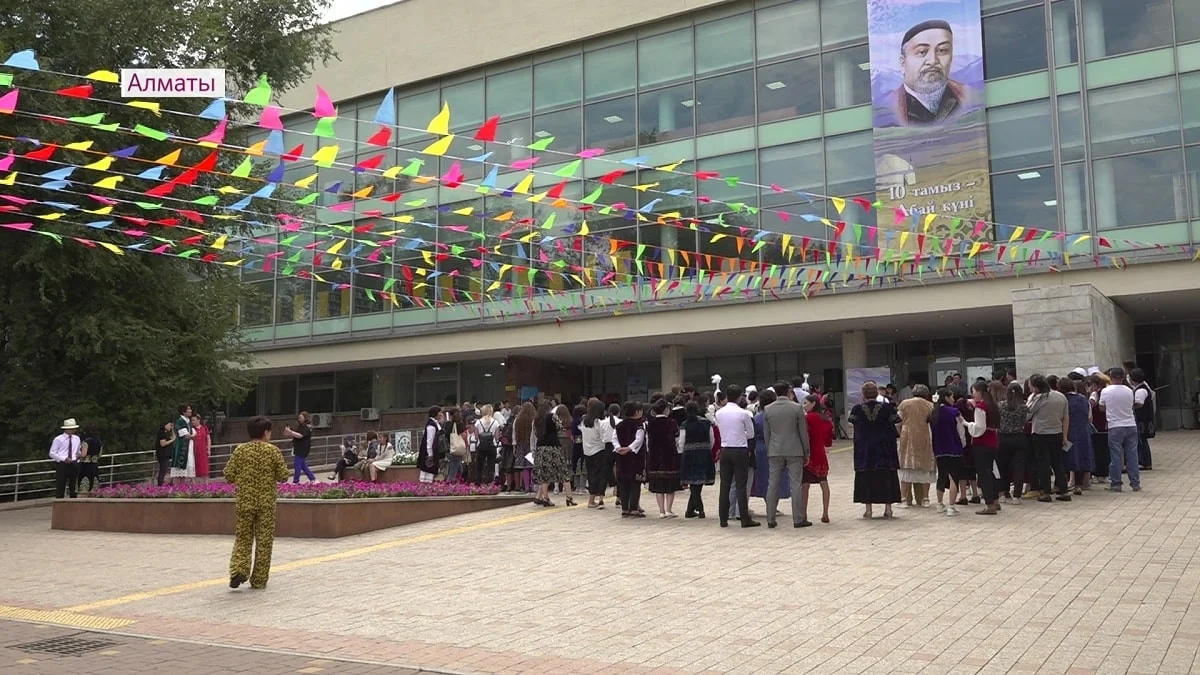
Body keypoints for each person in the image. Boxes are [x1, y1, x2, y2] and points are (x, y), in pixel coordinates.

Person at [224, 415, 289, 590]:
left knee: (243, 538)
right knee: (264, 541)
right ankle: (259, 580)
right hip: (266, 504)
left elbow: (228, 474)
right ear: (265, 433)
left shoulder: (240, 450)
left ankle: (239, 569)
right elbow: (283, 476)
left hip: (245, 502)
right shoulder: (273, 451)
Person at [885, 19, 969, 126]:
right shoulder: (886, 108)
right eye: (922, 52)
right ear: (903, 63)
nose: (933, 61)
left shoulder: (968, 95)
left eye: (942, 50)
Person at [848, 382, 902, 519]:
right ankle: (888, 509)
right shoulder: (887, 408)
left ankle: (869, 510)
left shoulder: (857, 409)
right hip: (885, 447)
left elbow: (851, 423)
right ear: (877, 393)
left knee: (867, 476)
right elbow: (897, 420)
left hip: (865, 448)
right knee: (887, 475)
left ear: (863, 394)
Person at [762, 383, 809, 529]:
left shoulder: (768, 409)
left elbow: (766, 434)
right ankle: (798, 518)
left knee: (773, 484)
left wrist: (770, 448)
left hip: (775, 450)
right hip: (794, 449)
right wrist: (806, 451)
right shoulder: (796, 408)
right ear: (789, 391)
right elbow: (803, 432)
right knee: (795, 484)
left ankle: (770, 518)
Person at [714, 384, 760, 528]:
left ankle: (723, 518)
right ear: (740, 397)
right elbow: (751, 434)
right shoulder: (743, 413)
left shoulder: (719, 413)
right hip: (740, 450)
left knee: (725, 485)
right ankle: (744, 518)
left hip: (725, 449)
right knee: (741, 485)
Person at [1027, 374, 1070, 503]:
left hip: (1040, 434)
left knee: (1043, 463)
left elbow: (1027, 414)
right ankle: (1064, 490)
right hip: (1057, 432)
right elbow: (1066, 417)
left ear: (1036, 387)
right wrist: (1065, 435)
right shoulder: (1061, 396)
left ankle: (1046, 492)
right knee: (1058, 463)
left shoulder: (1039, 398)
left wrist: (1031, 398)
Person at [962, 381, 1002, 516]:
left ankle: (989, 504)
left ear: (979, 391)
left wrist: (966, 423)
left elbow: (979, 428)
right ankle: (995, 500)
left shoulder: (981, 407)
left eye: (973, 392)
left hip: (982, 443)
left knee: (984, 474)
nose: (973, 395)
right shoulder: (993, 405)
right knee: (991, 471)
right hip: (992, 442)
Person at [1100, 368, 1141, 493]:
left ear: (1111, 377)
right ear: (1123, 377)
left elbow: (1101, 407)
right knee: (1132, 455)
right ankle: (1135, 483)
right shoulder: (1129, 390)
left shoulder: (1106, 391)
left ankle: (1116, 483)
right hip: (1130, 424)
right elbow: (1132, 404)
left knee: (1116, 456)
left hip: (1115, 426)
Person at [896, 385, 935, 508]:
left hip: (907, 437)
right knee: (925, 468)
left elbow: (897, 421)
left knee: (906, 468)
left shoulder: (904, 404)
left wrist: (901, 432)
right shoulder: (930, 405)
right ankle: (925, 498)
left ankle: (903, 499)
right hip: (925, 437)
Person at [931, 388, 967, 516]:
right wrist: (963, 444)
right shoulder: (954, 412)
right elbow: (961, 430)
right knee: (953, 478)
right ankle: (951, 506)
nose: (953, 399)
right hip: (954, 448)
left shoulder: (933, 413)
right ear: (946, 398)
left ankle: (940, 504)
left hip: (939, 449)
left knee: (941, 475)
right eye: (951, 397)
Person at [644, 398, 682, 518]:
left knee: (659, 485)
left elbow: (647, 441)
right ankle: (669, 510)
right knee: (670, 485)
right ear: (666, 409)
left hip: (655, 456)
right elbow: (677, 440)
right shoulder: (672, 423)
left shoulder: (650, 423)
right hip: (669, 455)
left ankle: (661, 511)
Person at [679, 401, 715, 519]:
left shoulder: (685, 424)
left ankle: (699, 509)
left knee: (693, 482)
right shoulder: (706, 423)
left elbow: (681, 442)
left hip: (689, 453)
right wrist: (707, 448)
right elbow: (712, 439)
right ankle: (690, 510)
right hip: (704, 453)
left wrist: (682, 451)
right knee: (698, 482)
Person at [802, 394, 834, 524]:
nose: (804, 406)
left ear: (813, 403)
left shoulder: (807, 418)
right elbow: (828, 441)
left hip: (809, 454)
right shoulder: (825, 419)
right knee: (824, 483)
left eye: (806, 403)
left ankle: (803, 514)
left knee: (805, 486)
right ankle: (825, 513)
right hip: (820, 454)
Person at [997, 382, 1030, 504]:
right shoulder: (1023, 406)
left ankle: (1003, 493)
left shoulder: (1000, 405)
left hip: (1003, 438)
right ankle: (1017, 495)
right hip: (1019, 437)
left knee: (1002, 466)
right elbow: (1024, 421)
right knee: (1019, 467)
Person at [533, 404, 573, 507]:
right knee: (563, 471)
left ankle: (545, 498)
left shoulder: (536, 420)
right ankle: (569, 497)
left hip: (541, 448)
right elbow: (560, 427)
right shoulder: (552, 417)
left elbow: (535, 433)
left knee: (545, 475)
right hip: (553, 447)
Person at [614, 401, 646, 518]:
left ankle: (624, 509)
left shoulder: (619, 425)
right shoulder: (639, 425)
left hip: (621, 456)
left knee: (623, 482)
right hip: (635, 457)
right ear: (637, 411)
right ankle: (633, 508)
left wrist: (619, 448)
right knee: (635, 482)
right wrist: (629, 448)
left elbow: (614, 438)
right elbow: (639, 440)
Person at [1061, 378, 1093, 495]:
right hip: (1083, 431)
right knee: (1081, 456)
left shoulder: (1063, 400)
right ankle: (1078, 486)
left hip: (1067, 432)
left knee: (1065, 457)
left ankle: (1063, 484)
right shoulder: (1084, 399)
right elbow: (1089, 417)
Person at [581, 398, 614, 509]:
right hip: (599, 450)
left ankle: (592, 499)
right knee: (598, 475)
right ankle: (592, 500)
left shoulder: (584, 420)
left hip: (587, 451)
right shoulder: (599, 423)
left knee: (590, 474)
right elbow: (603, 437)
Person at [49, 418, 82, 498]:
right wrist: (63, 459)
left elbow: (78, 450)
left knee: (73, 486)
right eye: (72, 428)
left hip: (74, 463)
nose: (73, 430)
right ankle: (60, 502)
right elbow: (52, 453)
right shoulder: (58, 439)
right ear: (66, 429)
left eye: (74, 428)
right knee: (61, 485)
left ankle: (73, 503)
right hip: (62, 464)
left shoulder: (77, 438)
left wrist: (78, 455)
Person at [1129, 368, 1155, 471]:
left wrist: (1130, 405)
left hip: (1142, 420)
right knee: (1142, 440)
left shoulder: (1141, 390)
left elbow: (1139, 403)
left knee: (1142, 440)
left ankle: (1145, 462)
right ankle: (1144, 462)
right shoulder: (1141, 388)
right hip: (1143, 419)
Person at [1087, 373, 1110, 481]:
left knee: (1098, 451)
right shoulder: (1108, 392)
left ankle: (1098, 473)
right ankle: (1105, 473)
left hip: (1097, 426)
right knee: (1106, 451)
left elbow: (1090, 406)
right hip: (1107, 425)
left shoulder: (1095, 394)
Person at [282, 412, 315, 484]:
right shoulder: (300, 426)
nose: (299, 419)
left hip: (302, 448)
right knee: (302, 465)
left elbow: (300, 435)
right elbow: (287, 434)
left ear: (305, 418)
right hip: (298, 447)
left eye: (301, 417)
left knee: (297, 464)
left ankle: (296, 481)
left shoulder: (306, 426)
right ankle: (312, 478)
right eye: (299, 418)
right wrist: (288, 431)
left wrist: (291, 432)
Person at [472, 405, 500, 486]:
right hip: (492, 446)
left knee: (479, 466)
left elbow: (476, 436)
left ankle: (479, 483)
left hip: (481, 446)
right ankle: (490, 484)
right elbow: (497, 436)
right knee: (491, 466)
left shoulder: (478, 422)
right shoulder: (495, 422)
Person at [512, 402, 536, 493]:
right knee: (532, 466)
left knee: (525, 467)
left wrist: (514, 446)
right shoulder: (533, 420)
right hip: (530, 445)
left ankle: (526, 487)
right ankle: (532, 485)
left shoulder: (517, 420)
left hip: (520, 444)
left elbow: (514, 434)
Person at [171, 404, 196, 484]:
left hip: (188, 448)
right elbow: (186, 435)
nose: (190, 410)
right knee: (179, 469)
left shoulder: (188, 421)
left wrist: (191, 436)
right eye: (188, 409)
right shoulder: (180, 421)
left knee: (185, 470)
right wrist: (191, 436)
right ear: (183, 411)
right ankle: (176, 487)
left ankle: (182, 486)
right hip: (182, 448)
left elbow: (193, 433)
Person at [418, 407, 444, 484]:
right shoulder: (431, 425)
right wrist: (430, 455)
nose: (441, 414)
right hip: (429, 452)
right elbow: (429, 440)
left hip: (434, 450)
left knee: (432, 470)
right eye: (440, 412)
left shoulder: (436, 423)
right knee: (428, 470)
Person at [77, 425, 103, 493]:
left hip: (85, 465)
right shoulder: (99, 441)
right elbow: (100, 455)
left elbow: (83, 454)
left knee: (84, 483)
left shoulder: (86, 441)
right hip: (94, 464)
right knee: (94, 481)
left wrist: (77, 455)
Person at [191, 415, 211, 484]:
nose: (192, 422)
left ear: (198, 420)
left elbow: (208, 438)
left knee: (204, 467)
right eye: (192, 420)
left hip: (203, 451)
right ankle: (196, 484)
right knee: (195, 467)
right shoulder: (192, 429)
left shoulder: (204, 427)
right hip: (195, 451)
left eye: (194, 420)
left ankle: (206, 483)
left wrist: (208, 449)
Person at [155, 421, 174, 486]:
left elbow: (174, 436)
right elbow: (163, 443)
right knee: (162, 471)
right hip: (163, 455)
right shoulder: (162, 433)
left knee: (165, 470)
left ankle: (166, 484)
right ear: (164, 425)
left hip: (167, 455)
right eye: (169, 425)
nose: (170, 427)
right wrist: (172, 440)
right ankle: (160, 485)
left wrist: (173, 429)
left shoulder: (166, 433)